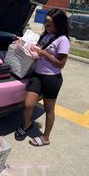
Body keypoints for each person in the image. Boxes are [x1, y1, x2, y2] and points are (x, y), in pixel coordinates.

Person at [15, 8, 70, 147]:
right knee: (27, 105)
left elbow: (60, 64)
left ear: (59, 24)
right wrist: (24, 43)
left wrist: (44, 54)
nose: (46, 26)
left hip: (52, 79)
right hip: (37, 75)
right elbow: (36, 50)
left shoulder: (63, 41)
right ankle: (27, 125)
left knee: (49, 109)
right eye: (46, 23)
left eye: (49, 24)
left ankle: (46, 137)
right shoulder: (46, 35)